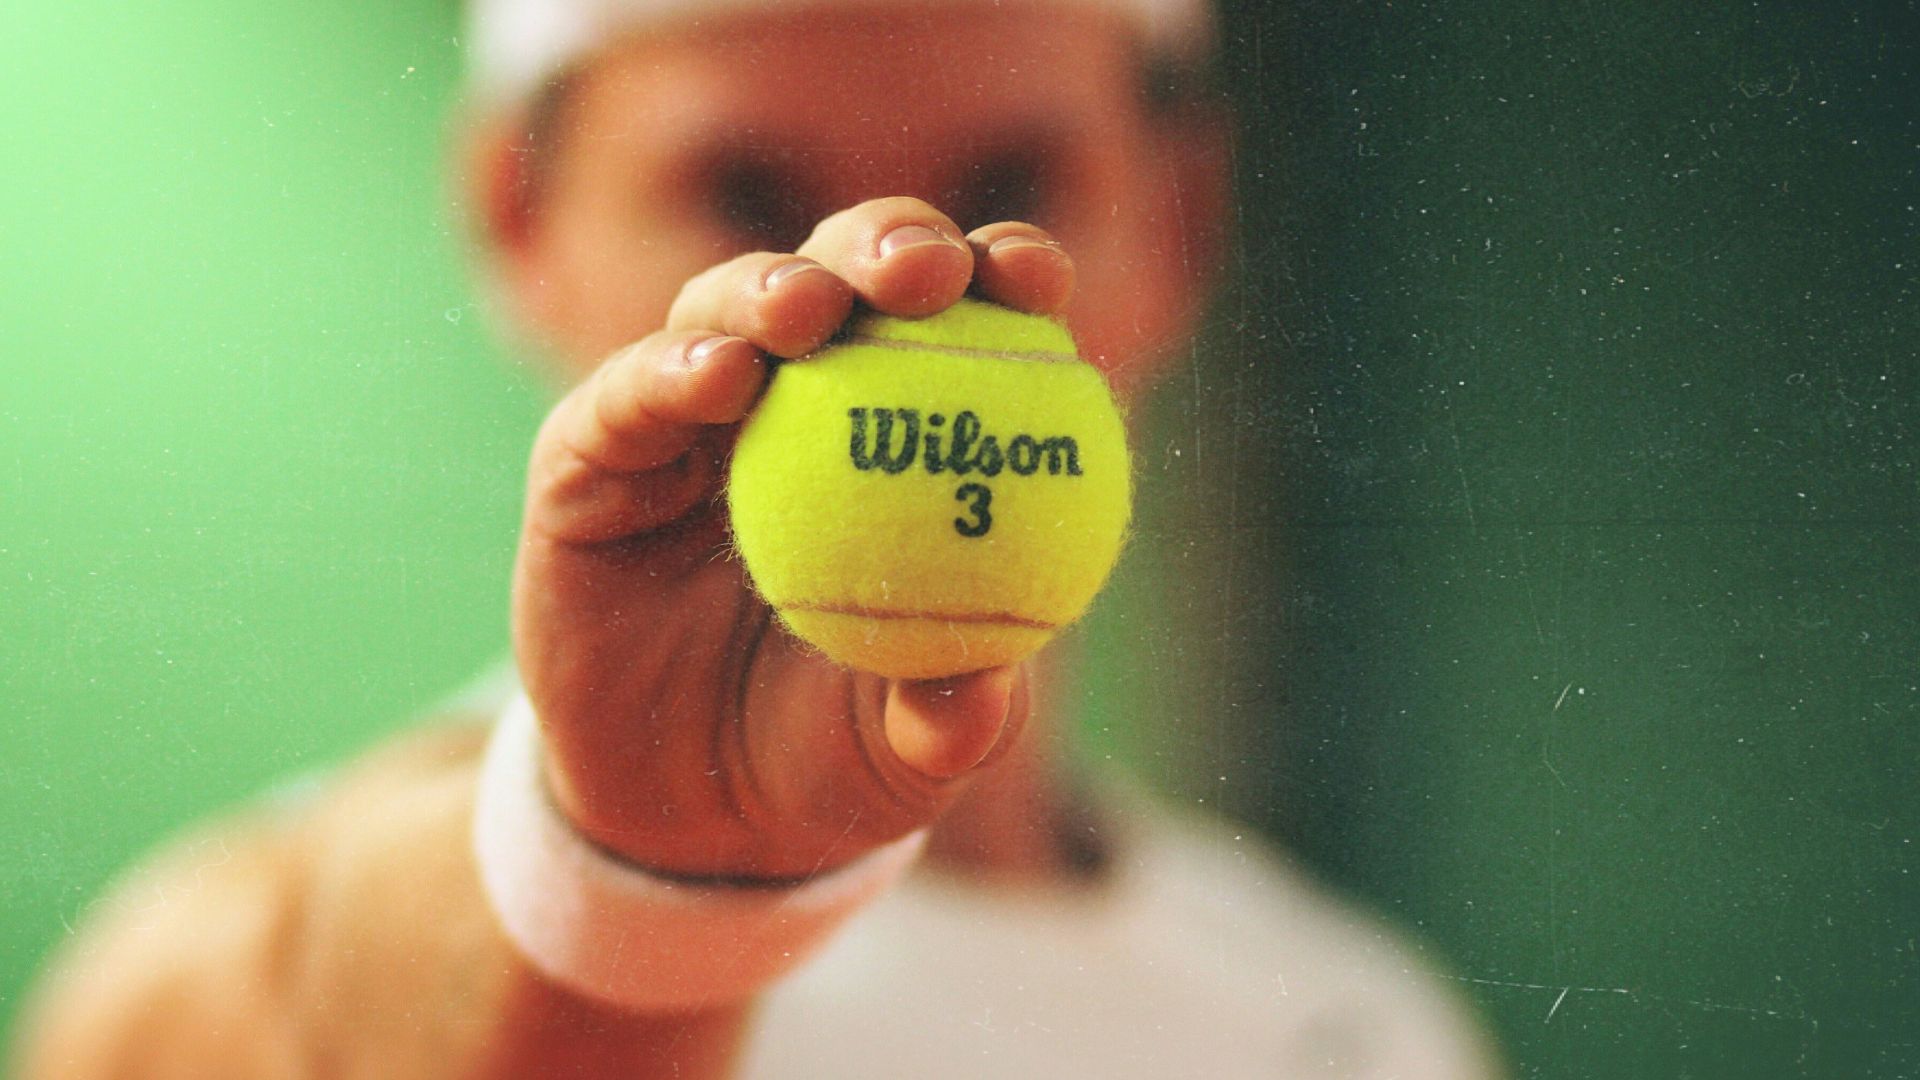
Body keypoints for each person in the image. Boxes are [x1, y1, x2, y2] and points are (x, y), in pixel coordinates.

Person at [11, 0, 1501, 1076]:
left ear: (1180, 221)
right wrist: (622, 881)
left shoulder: (1364, 1028)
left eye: (1012, 197)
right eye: (745, 200)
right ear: (517, 220)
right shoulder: (223, 971)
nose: (890, 301)